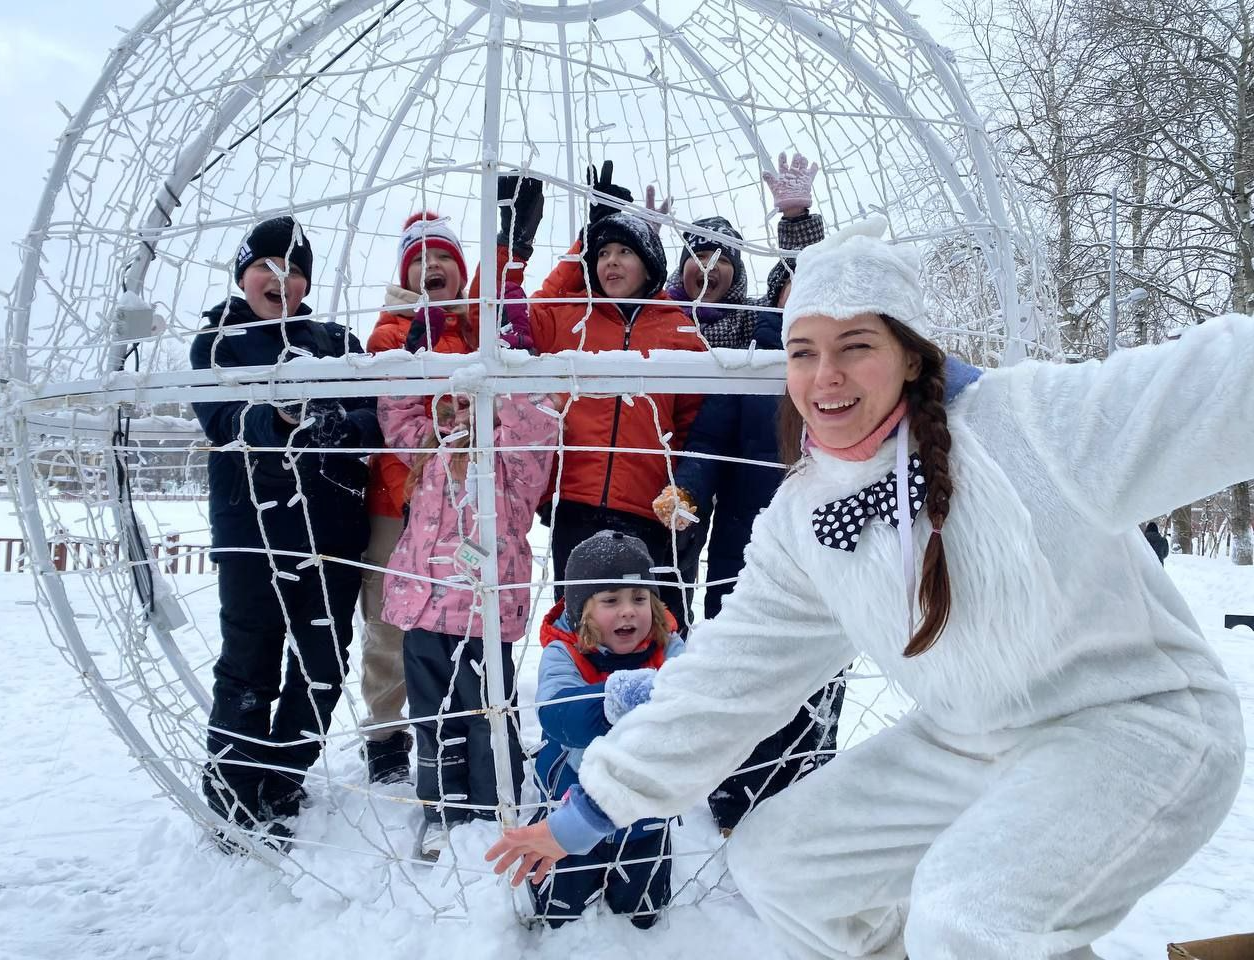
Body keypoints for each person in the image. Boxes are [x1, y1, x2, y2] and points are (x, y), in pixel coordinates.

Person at [487, 215, 1246, 959]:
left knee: (966, 915)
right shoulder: (806, 515)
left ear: (911, 356)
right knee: (781, 865)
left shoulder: (1029, 425)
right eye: (803, 351)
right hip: (968, 742)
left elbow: (1220, 384)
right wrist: (590, 810)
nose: (826, 378)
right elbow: (727, 680)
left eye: (855, 347)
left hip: (1138, 726)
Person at [654, 187, 842, 834]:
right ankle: (738, 795)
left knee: (822, 667)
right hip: (747, 546)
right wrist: (687, 489)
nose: (801, 305)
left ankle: (812, 788)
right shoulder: (753, 344)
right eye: (790, 290)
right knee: (744, 667)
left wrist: (799, 225)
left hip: (832, 547)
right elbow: (707, 436)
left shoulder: (845, 367)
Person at [192, 216, 382, 849]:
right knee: (250, 660)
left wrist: (338, 425)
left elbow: (375, 408)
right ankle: (231, 789)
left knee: (323, 663)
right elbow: (220, 417)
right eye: (267, 267)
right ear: (242, 273)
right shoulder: (219, 340)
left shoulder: (334, 338)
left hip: (331, 529)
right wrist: (278, 415)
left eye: (295, 269)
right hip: (252, 532)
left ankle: (281, 777)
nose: (282, 279)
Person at [358, 177, 544, 784]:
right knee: (397, 636)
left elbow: (515, 333)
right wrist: (431, 441)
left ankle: (492, 780)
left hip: (478, 501)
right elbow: (395, 413)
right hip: (408, 501)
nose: (432, 267)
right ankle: (389, 741)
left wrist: (512, 247)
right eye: (421, 260)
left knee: (480, 670)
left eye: (444, 258)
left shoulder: (476, 321)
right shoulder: (393, 330)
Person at [378, 386, 558, 860]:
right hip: (422, 616)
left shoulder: (513, 458)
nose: (462, 411)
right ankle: (441, 811)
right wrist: (414, 359)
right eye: (454, 402)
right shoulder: (431, 448)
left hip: (483, 617)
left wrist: (496, 384)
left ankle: (492, 809)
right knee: (432, 719)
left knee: (487, 720)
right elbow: (395, 414)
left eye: (472, 402)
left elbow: (539, 423)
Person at [529, 161, 706, 628]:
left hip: (650, 510)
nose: (610, 261)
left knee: (655, 632)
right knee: (581, 628)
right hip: (576, 504)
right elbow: (532, 312)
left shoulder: (681, 329)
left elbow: (693, 424)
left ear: (649, 263)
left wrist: (686, 493)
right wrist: (586, 233)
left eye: (624, 250)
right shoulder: (572, 317)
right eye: (602, 252)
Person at [531, 530, 685, 928]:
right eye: (611, 600)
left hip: (646, 811)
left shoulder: (670, 648)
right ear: (583, 610)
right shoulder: (562, 651)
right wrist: (624, 695)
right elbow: (560, 718)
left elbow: (695, 697)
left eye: (638, 599)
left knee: (645, 913)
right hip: (573, 800)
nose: (628, 611)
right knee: (557, 913)